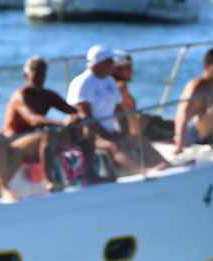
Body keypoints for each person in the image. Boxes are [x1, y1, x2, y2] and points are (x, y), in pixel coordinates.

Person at [68, 45, 167, 176]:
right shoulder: (82, 83)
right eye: (109, 61)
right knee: (113, 146)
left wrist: (124, 132)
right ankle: (142, 171)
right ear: (99, 63)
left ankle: (167, 165)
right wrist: (106, 135)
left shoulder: (109, 80)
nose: (113, 65)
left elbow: (119, 110)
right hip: (90, 135)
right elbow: (85, 116)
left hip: (110, 131)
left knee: (139, 140)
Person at [0, 56, 82, 202]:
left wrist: (76, 117)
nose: (39, 78)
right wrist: (61, 123)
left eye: (42, 74)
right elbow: (33, 120)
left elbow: (73, 110)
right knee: (48, 134)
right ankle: (50, 181)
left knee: (72, 132)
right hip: (15, 141)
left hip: (33, 140)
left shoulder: (47, 95)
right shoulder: (20, 96)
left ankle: (83, 174)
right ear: (26, 75)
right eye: (36, 74)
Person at [112, 50, 175, 142]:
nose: (131, 71)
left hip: (146, 125)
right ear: (117, 69)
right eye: (128, 67)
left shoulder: (111, 87)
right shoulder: (121, 89)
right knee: (178, 129)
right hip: (147, 130)